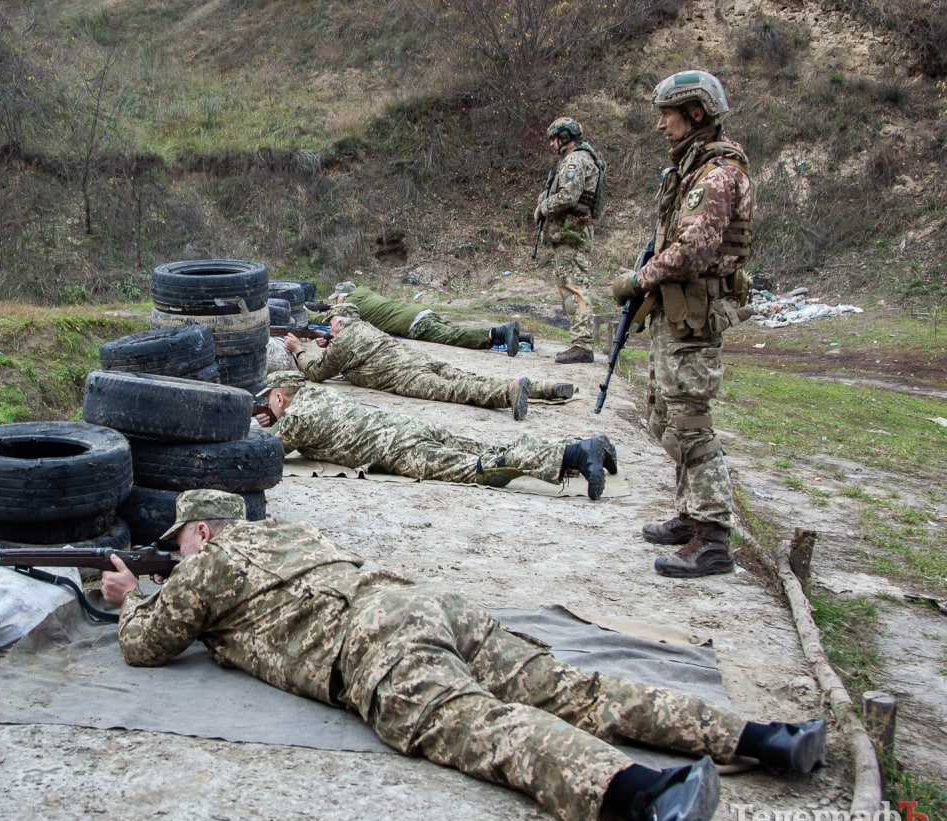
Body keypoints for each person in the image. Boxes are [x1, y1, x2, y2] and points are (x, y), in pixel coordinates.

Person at [100, 489, 827, 821]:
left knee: (483, 726)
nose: (183, 554)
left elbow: (148, 643)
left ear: (202, 530)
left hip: (373, 639)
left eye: (183, 543)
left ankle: (652, 798)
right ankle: (768, 737)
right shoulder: (291, 531)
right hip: (421, 601)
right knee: (577, 686)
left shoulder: (214, 561)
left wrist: (133, 598)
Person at [610, 71, 754, 579]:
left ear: (695, 113)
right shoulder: (689, 171)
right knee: (664, 418)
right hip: (675, 313)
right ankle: (691, 514)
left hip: (694, 314)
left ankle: (712, 537)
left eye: (667, 115)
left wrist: (637, 279)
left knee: (690, 424)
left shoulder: (716, 176)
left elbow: (694, 249)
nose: (659, 125)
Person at [255, 370, 615, 500]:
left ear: (281, 397)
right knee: (492, 448)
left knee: (482, 468)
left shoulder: (297, 416)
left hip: (400, 450)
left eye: (270, 401)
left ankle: (578, 455)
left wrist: (265, 426)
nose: (270, 407)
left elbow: (265, 452)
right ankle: (582, 448)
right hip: (410, 428)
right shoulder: (320, 393)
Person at [283, 304, 574, 422]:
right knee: (467, 376)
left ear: (340, 321)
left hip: (404, 376)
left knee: (457, 390)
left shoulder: (343, 340)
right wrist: (330, 343)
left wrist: (298, 351)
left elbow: (317, 373)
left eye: (331, 324)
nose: (329, 328)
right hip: (417, 359)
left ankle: (508, 394)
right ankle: (543, 388)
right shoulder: (364, 327)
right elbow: (354, 350)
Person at [533, 116, 607, 365]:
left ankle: (583, 344)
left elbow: (568, 196)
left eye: (554, 139)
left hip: (571, 234)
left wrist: (543, 207)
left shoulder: (576, 160)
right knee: (570, 286)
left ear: (564, 137)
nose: (552, 144)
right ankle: (581, 342)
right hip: (571, 233)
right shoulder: (581, 159)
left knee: (574, 288)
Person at [306, 282, 529, 356]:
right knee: (456, 328)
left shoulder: (349, 304)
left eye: (337, 299)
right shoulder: (364, 292)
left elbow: (319, 318)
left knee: (454, 337)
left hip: (413, 324)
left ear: (343, 295)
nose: (335, 303)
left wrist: (300, 308)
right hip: (420, 311)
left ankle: (500, 333)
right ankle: (521, 337)